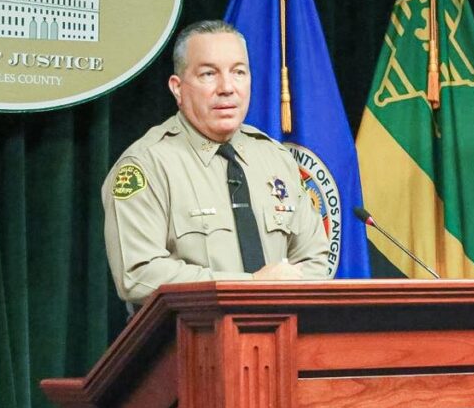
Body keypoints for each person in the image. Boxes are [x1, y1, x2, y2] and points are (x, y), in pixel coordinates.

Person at [102, 20, 331, 305]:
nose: (227, 88)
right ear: (177, 88)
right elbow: (138, 274)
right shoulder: (147, 165)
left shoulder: (276, 158)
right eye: (209, 74)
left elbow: (315, 260)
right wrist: (249, 286)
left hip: (281, 338)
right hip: (191, 342)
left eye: (238, 72)